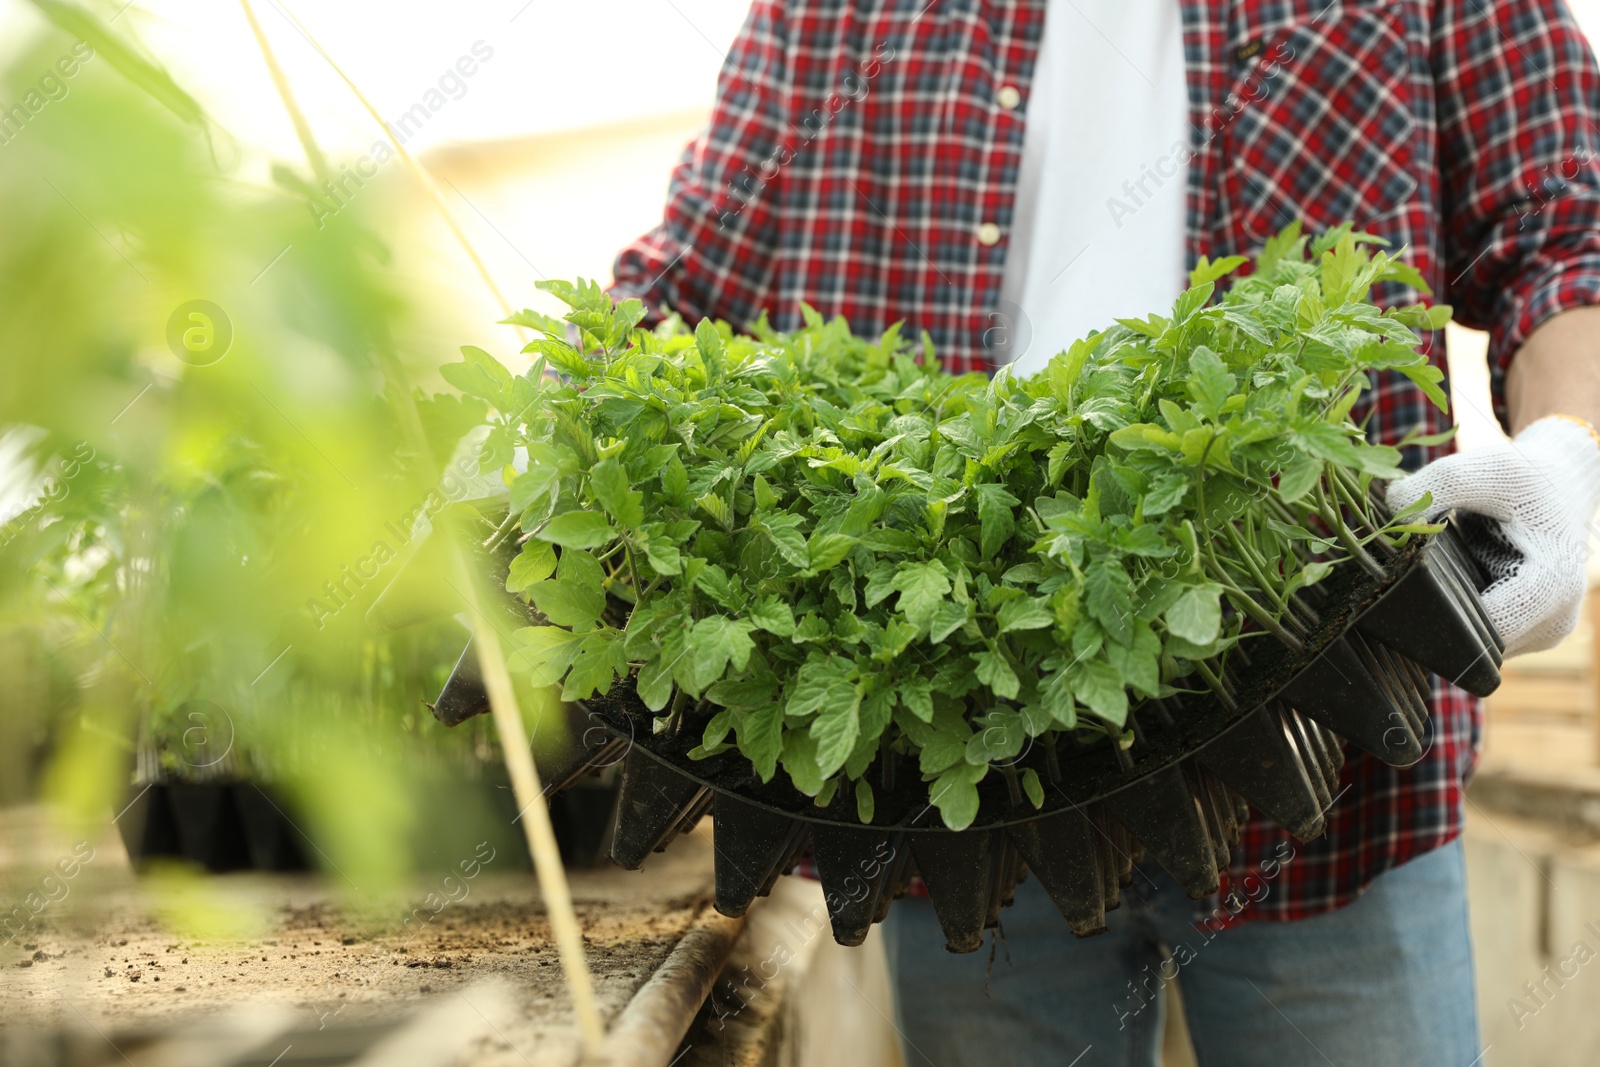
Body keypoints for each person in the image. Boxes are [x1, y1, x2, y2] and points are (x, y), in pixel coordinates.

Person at [610, 2, 1600, 1063]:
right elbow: (686, 285)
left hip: (1321, 746)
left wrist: (1566, 456)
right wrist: (559, 423)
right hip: (973, 777)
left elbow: (1563, 223)